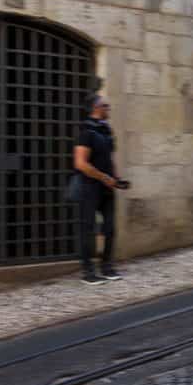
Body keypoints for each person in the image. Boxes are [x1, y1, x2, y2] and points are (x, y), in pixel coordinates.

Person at [73, 95, 126, 285]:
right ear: (96, 108)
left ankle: (107, 267)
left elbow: (109, 158)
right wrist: (104, 178)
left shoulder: (106, 130)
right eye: (106, 106)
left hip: (107, 187)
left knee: (110, 228)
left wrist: (116, 178)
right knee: (87, 229)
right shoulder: (86, 130)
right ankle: (88, 272)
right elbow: (80, 163)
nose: (108, 108)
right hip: (90, 187)